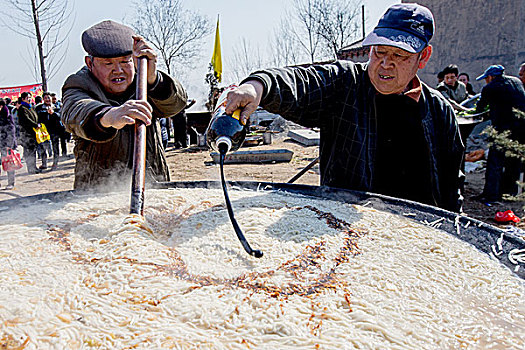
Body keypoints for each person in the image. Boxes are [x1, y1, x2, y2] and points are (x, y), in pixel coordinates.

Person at [225, 3, 464, 212]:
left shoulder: (439, 111)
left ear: (423, 57)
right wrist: (258, 86)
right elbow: (300, 82)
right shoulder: (344, 85)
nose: (385, 64)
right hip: (346, 228)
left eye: (399, 55)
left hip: (417, 234)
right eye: (379, 51)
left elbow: (451, 185)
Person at [61, 20, 187, 189]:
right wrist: (109, 117)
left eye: (125, 61)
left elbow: (176, 104)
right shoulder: (79, 83)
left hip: (152, 186)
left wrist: (154, 80)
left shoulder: (144, 79)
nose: (118, 70)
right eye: (108, 63)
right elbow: (75, 112)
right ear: (89, 63)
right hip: (96, 193)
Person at [474, 64, 525, 203]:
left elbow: (479, 109)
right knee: (513, 162)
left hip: (502, 130)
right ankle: (509, 194)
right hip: (521, 130)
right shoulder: (516, 82)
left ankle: (491, 196)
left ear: (490, 77)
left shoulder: (490, 87)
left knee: (495, 163)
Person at [35, 92, 63, 169]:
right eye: (45, 98)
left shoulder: (57, 106)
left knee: (55, 147)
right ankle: (44, 163)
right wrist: (46, 113)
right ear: (43, 99)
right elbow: (38, 117)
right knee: (43, 147)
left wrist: (53, 113)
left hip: (55, 130)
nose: (47, 99)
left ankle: (55, 163)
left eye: (48, 97)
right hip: (44, 131)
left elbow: (60, 116)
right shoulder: (39, 108)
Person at [16, 92, 40, 174]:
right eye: (27, 98)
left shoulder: (30, 107)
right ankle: (31, 168)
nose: (29, 99)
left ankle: (34, 167)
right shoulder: (22, 108)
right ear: (23, 99)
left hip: (33, 132)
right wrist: (35, 125)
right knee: (29, 151)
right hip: (26, 133)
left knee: (33, 150)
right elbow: (26, 120)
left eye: (30, 97)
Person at [0, 98, 17, 189]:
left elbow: (11, 131)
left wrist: (9, 145)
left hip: (6, 144)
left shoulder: (7, 116)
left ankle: (11, 183)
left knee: (9, 163)